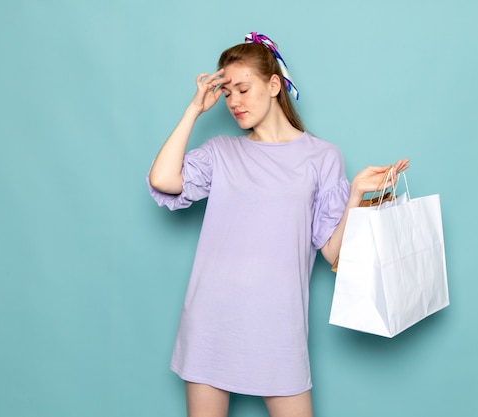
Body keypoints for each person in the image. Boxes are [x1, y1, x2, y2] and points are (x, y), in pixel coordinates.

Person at [147, 32, 409, 417]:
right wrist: (194, 110)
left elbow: (333, 252)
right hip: (211, 320)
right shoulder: (222, 151)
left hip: (278, 325)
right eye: (227, 92)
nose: (233, 102)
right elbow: (163, 179)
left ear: (273, 85)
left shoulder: (321, 156)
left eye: (242, 88)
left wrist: (354, 196)